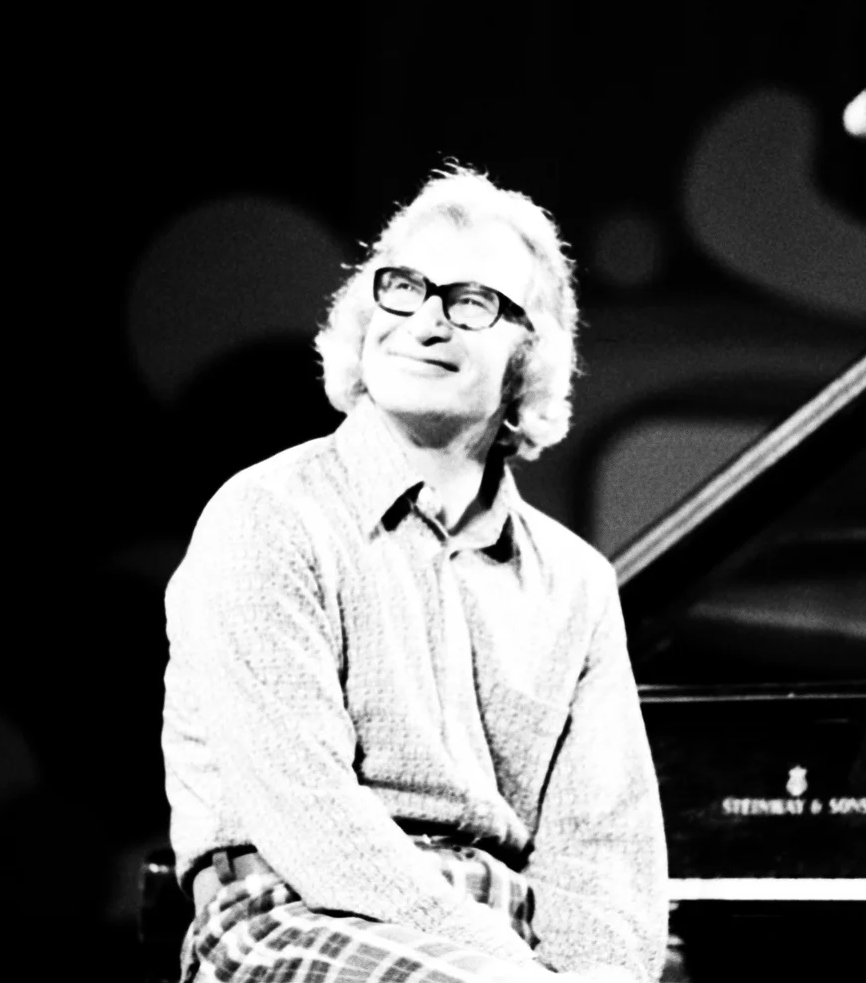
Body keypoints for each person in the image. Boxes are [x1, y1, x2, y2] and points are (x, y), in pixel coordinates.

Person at [161, 166, 667, 983]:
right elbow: (310, 821)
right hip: (292, 913)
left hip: (506, 939)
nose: (425, 320)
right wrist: (516, 976)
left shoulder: (577, 584)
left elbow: (606, 871)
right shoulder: (267, 515)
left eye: (471, 303)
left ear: (527, 357)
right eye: (402, 288)